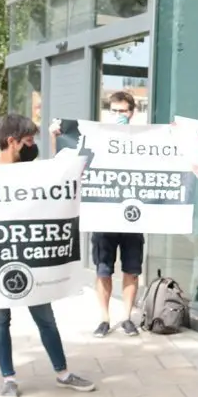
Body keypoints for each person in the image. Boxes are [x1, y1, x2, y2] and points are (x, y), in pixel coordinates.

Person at [0, 114, 96, 397]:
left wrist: (56, 139)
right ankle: (8, 379)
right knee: (0, 320)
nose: (32, 146)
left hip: (31, 260)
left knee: (45, 318)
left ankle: (62, 373)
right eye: (28, 141)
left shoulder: (31, 172)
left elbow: (61, 172)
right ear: (11, 142)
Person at [50, 91, 145, 338]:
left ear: (131, 113)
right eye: (113, 111)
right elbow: (65, 160)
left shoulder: (143, 141)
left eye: (122, 111)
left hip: (132, 216)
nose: (117, 115)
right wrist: (56, 137)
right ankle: (104, 319)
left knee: (131, 269)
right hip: (103, 215)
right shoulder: (95, 138)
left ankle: (126, 318)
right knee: (103, 270)